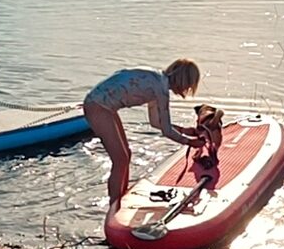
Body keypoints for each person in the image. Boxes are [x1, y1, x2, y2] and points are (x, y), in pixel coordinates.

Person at [82, 60, 202, 205]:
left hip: (102, 104)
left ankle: (120, 196)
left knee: (126, 155)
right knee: (120, 159)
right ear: (184, 81)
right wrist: (189, 142)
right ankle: (114, 204)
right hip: (98, 106)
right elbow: (167, 131)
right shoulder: (161, 90)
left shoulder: (157, 80)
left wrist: (184, 131)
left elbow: (155, 122)